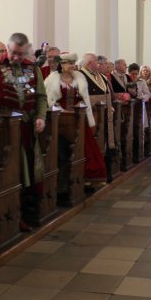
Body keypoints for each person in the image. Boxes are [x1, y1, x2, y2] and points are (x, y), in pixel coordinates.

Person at [0, 32, 48, 231]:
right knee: (12, 172)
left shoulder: (33, 68)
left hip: (27, 128)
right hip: (2, 129)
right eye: (12, 53)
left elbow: (41, 97)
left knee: (29, 170)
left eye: (20, 54)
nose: (15, 58)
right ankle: (11, 217)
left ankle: (27, 213)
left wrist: (40, 117)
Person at [44, 53, 106, 197]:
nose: (72, 66)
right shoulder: (52, 79)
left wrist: (81, 105)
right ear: (62, 64)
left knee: (86, 148)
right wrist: (62, 110)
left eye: (73, 63)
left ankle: (87, 180)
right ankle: (65, 184)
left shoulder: (79, 77)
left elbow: (84, 97)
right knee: (65, 150)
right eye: (69, 63)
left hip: (78, 118)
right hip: (60, 119)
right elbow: (50, 100)